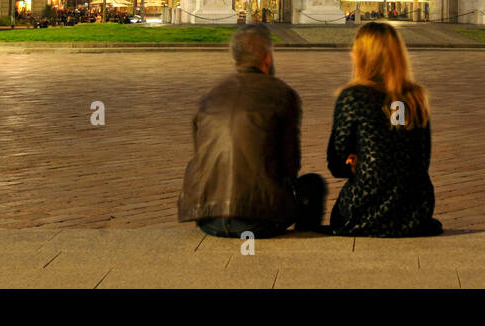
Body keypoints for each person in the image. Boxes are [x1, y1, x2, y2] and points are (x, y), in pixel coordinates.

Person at [177, 24, 325, 238]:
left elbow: (200, 154)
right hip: (258, 221)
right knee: (313, 184)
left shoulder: (211, 95)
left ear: (235, 58)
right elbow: (290, 164)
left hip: (208, 217)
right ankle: (305, 239)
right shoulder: (282, 94)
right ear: (266, 58)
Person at [328, 22, 442, 237]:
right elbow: (419, 157)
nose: (351, 54)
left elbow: (336, 162)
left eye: (355, 49)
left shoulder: (354, 97)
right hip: (414, 210)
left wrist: (354, 164)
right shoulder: (414, 97)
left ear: (364, 56)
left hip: (366, 208)